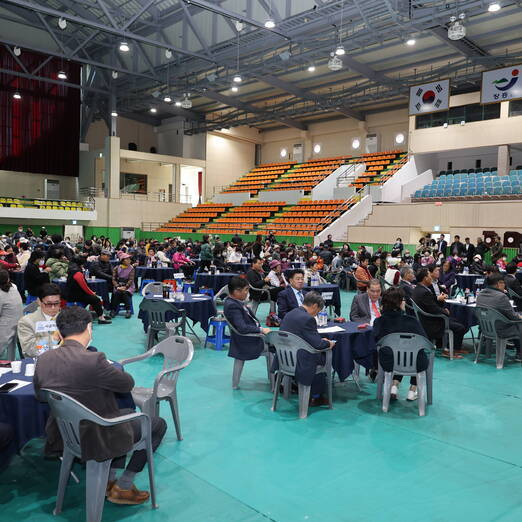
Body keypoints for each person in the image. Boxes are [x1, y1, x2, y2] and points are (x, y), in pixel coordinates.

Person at [33, 306, 167, 505]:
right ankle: (124, 485)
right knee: (157, 424)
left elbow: (41, 396)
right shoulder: (94, 360)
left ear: (59, 332)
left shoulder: (44, 359)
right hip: (98, 435)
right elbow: (127, 384)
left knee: (126, 412)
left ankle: (109, 479)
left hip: (64, 434)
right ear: (89, 328)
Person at [373, 287, 429, 401]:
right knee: (415, 352)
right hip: (414, 363)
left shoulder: (378, 322)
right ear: (399, 303)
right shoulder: (412, 321)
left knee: (397, 352)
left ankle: (394, 385)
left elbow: (375, 342)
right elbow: (425, 342)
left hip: (388, 362)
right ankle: (412, 390)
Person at [280, 292, 335, 406]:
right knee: (323, 356)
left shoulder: (289, 314)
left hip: (284, 358)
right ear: (314, 306)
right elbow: (317, 345)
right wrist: (328, 343)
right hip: (300, 361)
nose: (316, 314)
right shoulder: (307, 319)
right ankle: (316, 395)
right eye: (318, 311)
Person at [412, 268, 467, 358]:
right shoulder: (424, 292)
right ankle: (447, 350)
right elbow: (434, 309)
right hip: (432, 322)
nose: (431, 277)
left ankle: (456, 348)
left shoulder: (418, 289)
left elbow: (431, 304)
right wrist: (445, 311)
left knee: (460, 321)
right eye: (429, 275)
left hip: (426, 319)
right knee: (460, 327)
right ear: (425, 278)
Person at [223, 277, 270, 372]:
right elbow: (242, 328)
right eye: (246, 290)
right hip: (247, 341)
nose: (248, 292)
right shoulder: (233, 306)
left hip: (251, 337)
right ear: (237, 292)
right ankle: (277, 381)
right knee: (278, 347)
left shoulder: (235, 302)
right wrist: (261, 330)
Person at [476, 272, 522, 359]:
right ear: (498, 284)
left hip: (485, 329)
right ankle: (520, 353)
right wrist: (519, 317)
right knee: (519, 323)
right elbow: (513, 317)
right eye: (503, 283)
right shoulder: (501, 296)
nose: (504, 285)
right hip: (500, 330)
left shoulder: (480, 294)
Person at [65, 257, 111, 324]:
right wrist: (92, 293)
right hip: (75, 296)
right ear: (81, 264)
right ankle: (101, 318)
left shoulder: (71, 270)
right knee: (96, 299)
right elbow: (84, 286)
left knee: (92, 298)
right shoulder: (77, 273)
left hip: (72, 294)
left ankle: (101, 314)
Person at [0, 269, 23, 359]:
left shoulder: (1, 293)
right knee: (11, 347)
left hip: (6, 324)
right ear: (8, 279)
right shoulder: (13, 288)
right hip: (18, 321)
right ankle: (10, 363)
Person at [111, 253, 135, 318]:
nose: (129, 260)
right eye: (127, 259)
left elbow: (131, 280)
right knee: (117, 293)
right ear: (122, 260)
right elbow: (113, 279)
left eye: (129, 259)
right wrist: (117, 286)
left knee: (125, 293)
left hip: (128, 286)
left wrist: (125, 287)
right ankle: (113, 310)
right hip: (118, 285)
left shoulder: (131, 268)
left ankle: (128, 310)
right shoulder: (116, 268)